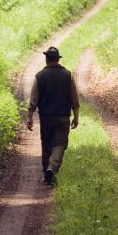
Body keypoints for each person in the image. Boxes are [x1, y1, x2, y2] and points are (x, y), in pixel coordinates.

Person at [27, 46, 79, 186]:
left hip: (46, 117)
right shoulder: (68, 75)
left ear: (46, 59)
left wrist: (30, 117)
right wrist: (76, 116)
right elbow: (75, 99)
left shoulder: (39, 76)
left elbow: (33, 99)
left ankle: (46, 173)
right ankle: (52, 168)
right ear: (57, 59)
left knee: (47, 145)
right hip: (63, 117)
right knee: (60, 145)